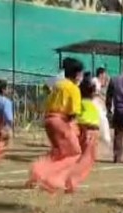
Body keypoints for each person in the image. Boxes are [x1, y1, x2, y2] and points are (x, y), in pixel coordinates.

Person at [28, 57, 84, 193]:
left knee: (59, 152)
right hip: (60, 121)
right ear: (77, 74)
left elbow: (46, 96)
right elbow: (73, 113)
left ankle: (39, 174)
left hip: (49, 120)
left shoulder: (58, 84)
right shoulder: (74, 89)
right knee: (75, 153)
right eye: (81, 73)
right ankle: (47, 175)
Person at [66, 78, 103, 192]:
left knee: (77, 156)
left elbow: (71, 115)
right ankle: (72, 181)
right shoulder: (94, 103)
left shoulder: (79, 102)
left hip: (79, 129)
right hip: (91, 131)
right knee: (87, 159)